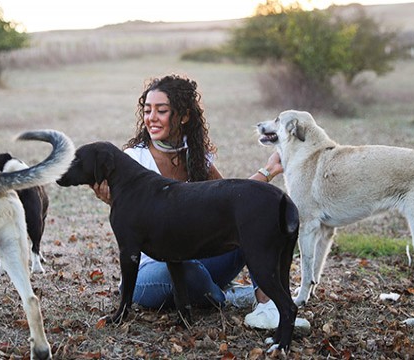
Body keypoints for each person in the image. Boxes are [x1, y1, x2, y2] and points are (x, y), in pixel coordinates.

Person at [92, 74, 285, 329]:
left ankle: (267, 306)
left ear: (183, 116)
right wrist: (112, 201)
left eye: (161, 110)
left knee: (248, 226)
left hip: (196, 255)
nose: (151, 117)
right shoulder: (134, 159)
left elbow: (234, 201)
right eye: (147, 110)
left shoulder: (196, 156)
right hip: (153, 270)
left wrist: (269, 170)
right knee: (185, 271)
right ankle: (226, 296)